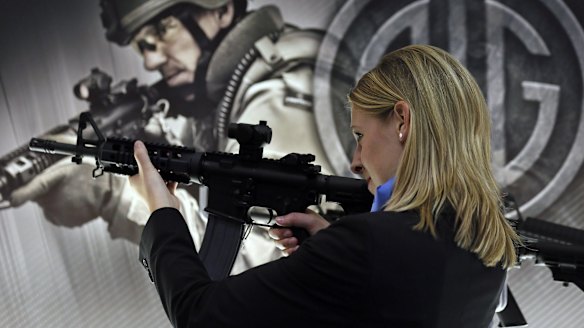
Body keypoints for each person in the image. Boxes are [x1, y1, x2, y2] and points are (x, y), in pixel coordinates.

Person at [131, 44, 519, 327]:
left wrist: (164, 213)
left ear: (402, 119)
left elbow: (199, 315)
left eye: (359, 135)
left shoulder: (366, 244)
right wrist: (333, 247)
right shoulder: (488, 245)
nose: (355, 160)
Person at [10, 0, 334, 274]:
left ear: (220, 9)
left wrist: (118, 192)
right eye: (141, 46)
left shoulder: (283, 94)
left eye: (162, 31)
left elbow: (253, 274)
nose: (150, 60)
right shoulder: (226, 92)